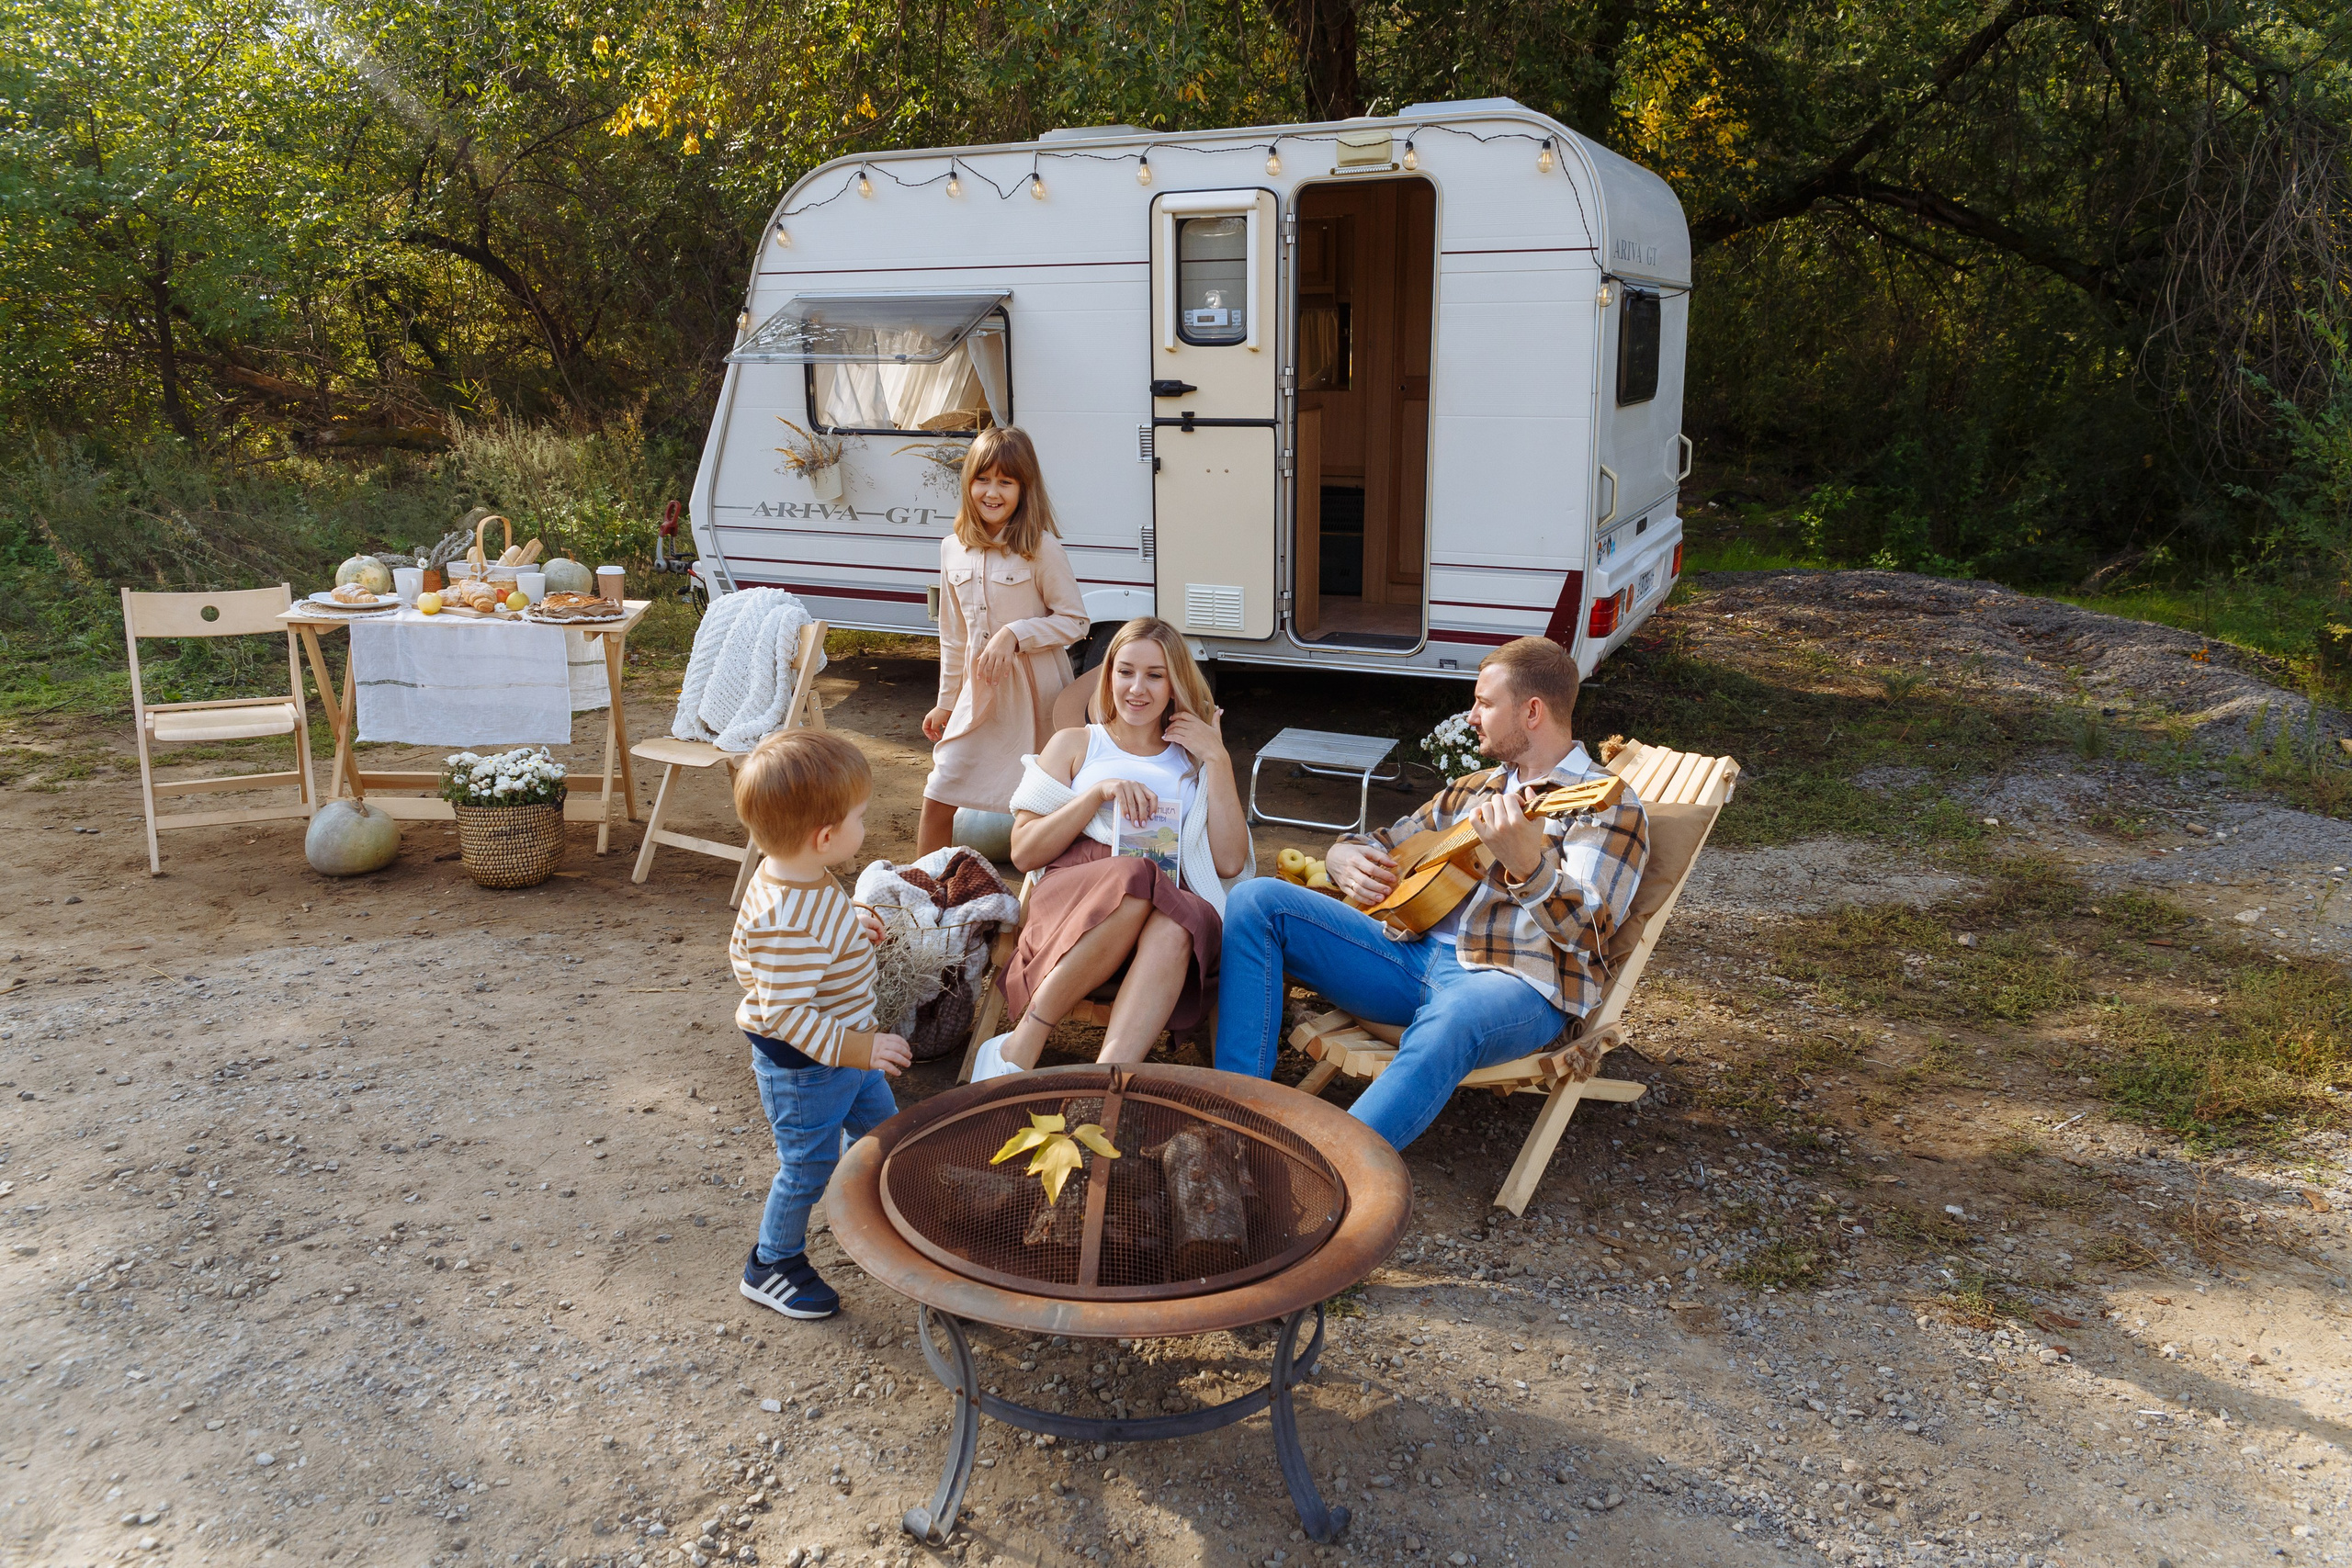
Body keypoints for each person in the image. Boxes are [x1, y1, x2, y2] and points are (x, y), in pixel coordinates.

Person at [1214, 637, 1647, 1149]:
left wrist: (1529, 866)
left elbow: (1593, 933)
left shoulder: (1606, 806)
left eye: (1484, 704)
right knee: (1255, 901)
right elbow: (1384, 842)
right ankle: (1231, 1121)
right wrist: (1340, 856)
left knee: (1456, 1014)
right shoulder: (1473, 788)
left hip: (1512, 984)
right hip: (1405, 957)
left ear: (1532, 712)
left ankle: (1328, 1170)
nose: (1471, 717)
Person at [969, 617, 1250, 1078]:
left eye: (1155, 675)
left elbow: (1229, 862)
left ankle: (1104, 1087)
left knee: (1181, 916)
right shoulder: (1076, 744)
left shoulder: (1194, 760)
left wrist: (1218, 759)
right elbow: (1023, 852)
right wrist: (1097, 795)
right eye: (1125, 672)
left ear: (1174, 685)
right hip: (1076, 901)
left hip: (1164, 913)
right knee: (1137, 875)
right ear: (1109, 675)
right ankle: (1027, 1038)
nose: (1137, 688)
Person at [728, 728, 913, 1321]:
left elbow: (811, 928)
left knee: (884, 1134)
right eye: (861, 817)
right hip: (808, 1070)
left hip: (844, 1053)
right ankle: (772, 1263)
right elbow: (785, 1012)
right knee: (808, 1166)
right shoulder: (786, 918)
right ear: (826, 837)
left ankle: (876, 1207)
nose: (866, 824)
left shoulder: (797, 873)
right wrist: (861, 1048)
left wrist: (848, 920)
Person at [919, 426, 1089, 855]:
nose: (992, 492)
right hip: (978, 696)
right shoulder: (951, 548)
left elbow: (1075, 622)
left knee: (1044, 804)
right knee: (940, 790)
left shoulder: (1041, 548)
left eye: (1006, 482)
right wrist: (946, 702)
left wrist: (1015, 634)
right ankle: (921, 889)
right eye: (983, 479)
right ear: (968, 482)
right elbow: (953, 636)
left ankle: (1047, 890)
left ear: (1024, 488)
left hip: (1035, 697)